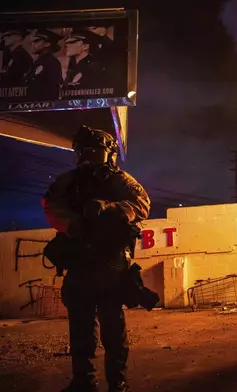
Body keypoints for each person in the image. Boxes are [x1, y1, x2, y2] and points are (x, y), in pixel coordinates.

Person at [42, 126, 151, 392]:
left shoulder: (120, 180)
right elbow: (50, 204)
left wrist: (110, 208)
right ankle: (84, 382)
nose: (90, 159)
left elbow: (142, 203)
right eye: (85, 153)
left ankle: (118, 383)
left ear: (109, 154)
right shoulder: (68, 181)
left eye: (96, 153)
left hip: (111, 265)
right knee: (80, 330)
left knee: (113, 330)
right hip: (80, 265)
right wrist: (71, 224)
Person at [25, 29, 63, 101]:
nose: (33, 44)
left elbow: (51, 89)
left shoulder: (51, 62)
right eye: (33, 41)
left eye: (36, 41)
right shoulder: (38, 62)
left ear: (47, 44)